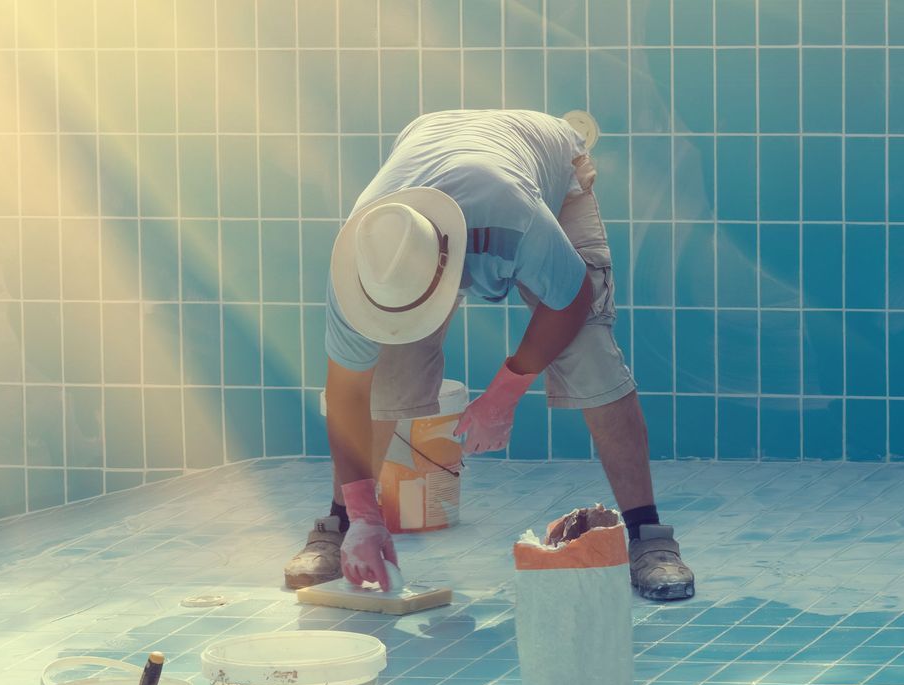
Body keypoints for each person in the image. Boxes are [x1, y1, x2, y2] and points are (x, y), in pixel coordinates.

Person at [283, 109, 695, 602]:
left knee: (590, 357)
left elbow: (571, 298)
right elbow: (347, 395)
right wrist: (366, 514)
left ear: (449, 264)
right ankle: (342, 524)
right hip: (433, 149)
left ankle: (649, 537)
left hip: (542, 165)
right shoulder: (361, 264)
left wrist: (504, 392)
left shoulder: (514, 220)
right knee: (386, 374)